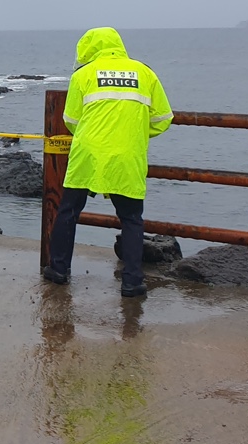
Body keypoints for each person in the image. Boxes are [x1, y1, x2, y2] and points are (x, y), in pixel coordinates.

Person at [44, 27, 172, 297]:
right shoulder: (144, 73)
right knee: (132, 218)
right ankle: (132, 282)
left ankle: (58, 270)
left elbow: (71, 119)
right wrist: (134, 132)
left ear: (88, 48)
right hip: (127, 155)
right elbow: (163, 118)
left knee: (68, 211)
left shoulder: (83, 75)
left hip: (88, 153)